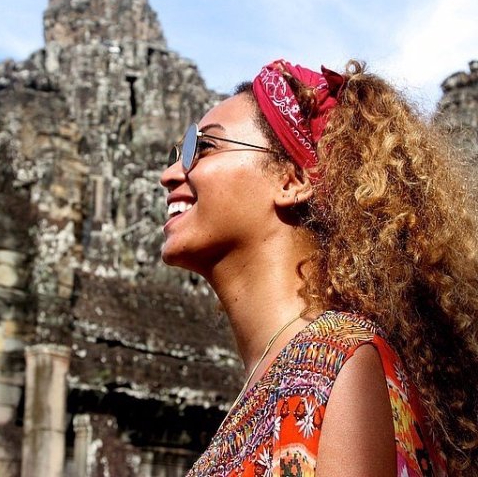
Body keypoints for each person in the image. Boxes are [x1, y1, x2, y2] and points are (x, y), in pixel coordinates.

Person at [160, 59, 478, 476]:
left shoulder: (338, 357)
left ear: (291, 180)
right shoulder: (291, 369)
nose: (170, 174)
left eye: (203, 148)